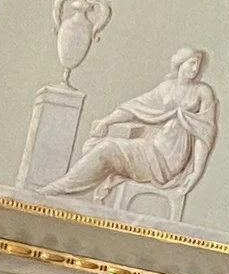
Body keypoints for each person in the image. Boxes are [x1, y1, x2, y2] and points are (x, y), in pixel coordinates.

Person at [53, 49, 220, 216]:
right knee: (97, 147)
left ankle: (60, 187)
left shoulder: (203, 92)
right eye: (192, 63)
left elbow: (203, 135)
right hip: (150, 148)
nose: (195, 68)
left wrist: (196, 172)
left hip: (167, 161)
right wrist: (107, 121)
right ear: (180, 63)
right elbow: (134, 108)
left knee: (106, 149)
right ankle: (67, 188)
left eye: (198, 64)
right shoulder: (166, 88)